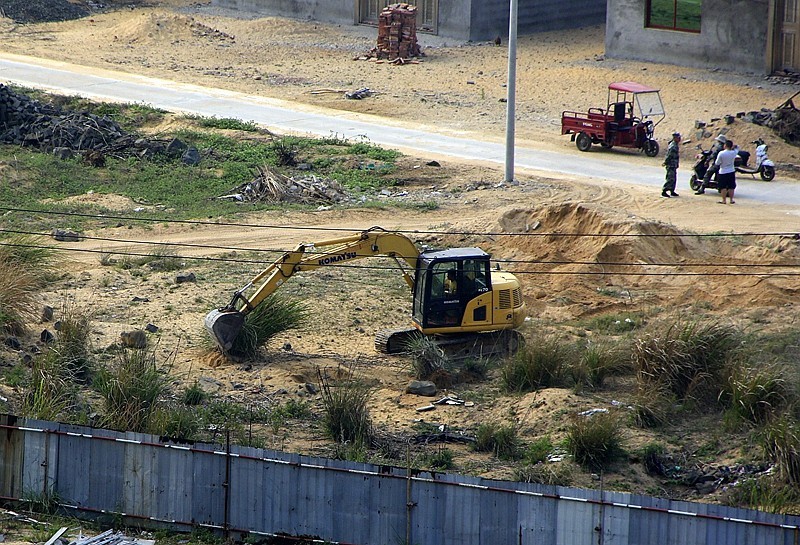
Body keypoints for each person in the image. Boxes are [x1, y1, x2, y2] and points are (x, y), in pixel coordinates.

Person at [715, 139, 738, 204]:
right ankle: (731, 200)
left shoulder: (721, 153)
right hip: (731, 170)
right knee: (731, 186)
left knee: (723, 187)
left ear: (725, 145)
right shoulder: (734, 152)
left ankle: (724, 200)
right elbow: (737, 147)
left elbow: (717, 163)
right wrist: (733, 147)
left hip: (723, 171)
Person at [662, 132, 681, 198]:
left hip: (673, 164)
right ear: (675, 138)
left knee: (673, 178)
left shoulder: (675, 144)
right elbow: (669, 155)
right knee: (670, 178)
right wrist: (665, 162)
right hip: (671, 164)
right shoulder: (673, 146)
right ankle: (664, 191)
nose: (679, 139)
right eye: (678, 138)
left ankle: (672, 190)